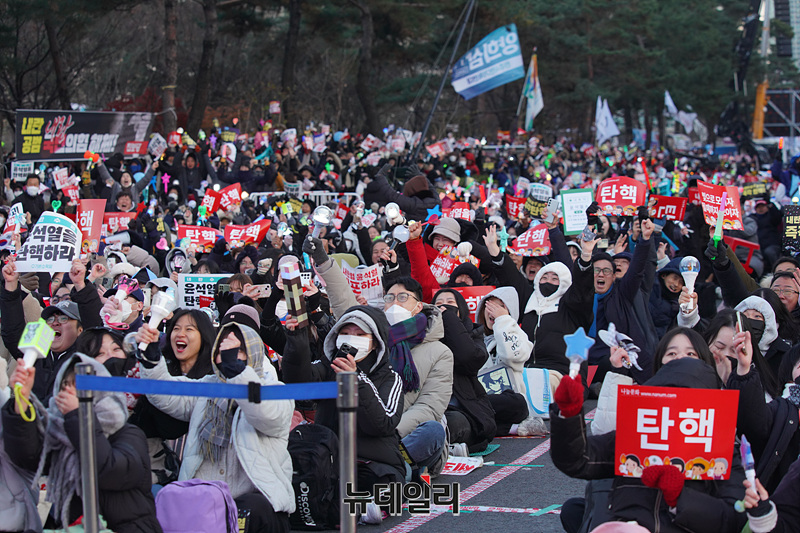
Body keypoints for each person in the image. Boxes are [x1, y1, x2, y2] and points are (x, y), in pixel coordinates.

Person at [305, 234, 453, 475]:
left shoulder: (440, 351)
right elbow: (343, 299)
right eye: (390, 297)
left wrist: (389, 432)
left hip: (397, 431)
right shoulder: (371, 333)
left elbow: (429, 406)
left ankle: (400, 467)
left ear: (418, 306)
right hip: (366, 427)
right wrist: (322, 260)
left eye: (403, 298)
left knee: (433, 431)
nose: (394, 303)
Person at [136, 320, 295, 532]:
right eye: (223, 350)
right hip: (204, 503)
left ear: (253, 352)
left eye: (236, 350)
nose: (228, 356)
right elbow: (165, 393)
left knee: (249, 509)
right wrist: (152, 357)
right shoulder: (208, 387)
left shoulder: (275, 390)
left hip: (255, 505)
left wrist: (238, 373)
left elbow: (266, 416)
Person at [3, 354, 162, 532]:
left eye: (79, 388)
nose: (69, 393)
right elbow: (27, 456)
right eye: (65, 386)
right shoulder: (62, 434)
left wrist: (79, 416)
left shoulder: (129, 434)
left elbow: (106, 471)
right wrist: (21, 400)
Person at [282, 304, 406, 494]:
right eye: (345, 333)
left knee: (385, 484)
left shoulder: (390, 377)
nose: (351, 339)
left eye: (360, 335)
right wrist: (296, 339)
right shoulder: (329, 366)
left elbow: (383, 423)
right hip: (329, 458)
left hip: (373, 460)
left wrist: (356, 379)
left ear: (375, 343)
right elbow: (300, 383)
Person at [1, 258, 103, 403]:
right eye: (50, 319)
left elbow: (95, 325)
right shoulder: (35, 355)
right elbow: (12, 332)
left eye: (63, 319)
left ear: (80, 330)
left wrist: (80, 284)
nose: (55, 323)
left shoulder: (84, 358)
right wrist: (10, 284)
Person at [432, 288, 496, 452]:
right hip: (436, 406)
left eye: (450, 303)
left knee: (514, 403)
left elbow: (468, 357)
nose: (444, 307)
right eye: (438, 304)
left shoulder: (474, 333)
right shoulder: (425, 339)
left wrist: (449, 319)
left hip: (464, 406)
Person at [476, 287, 545, 436]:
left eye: (501, 306)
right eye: (489, 306)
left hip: (509, 401)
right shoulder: (475, 339)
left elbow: (511, 355)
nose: (493, 311)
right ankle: (511, 428)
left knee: (517, 403)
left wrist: (503, 320)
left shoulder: (520, 337)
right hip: (484, 399)